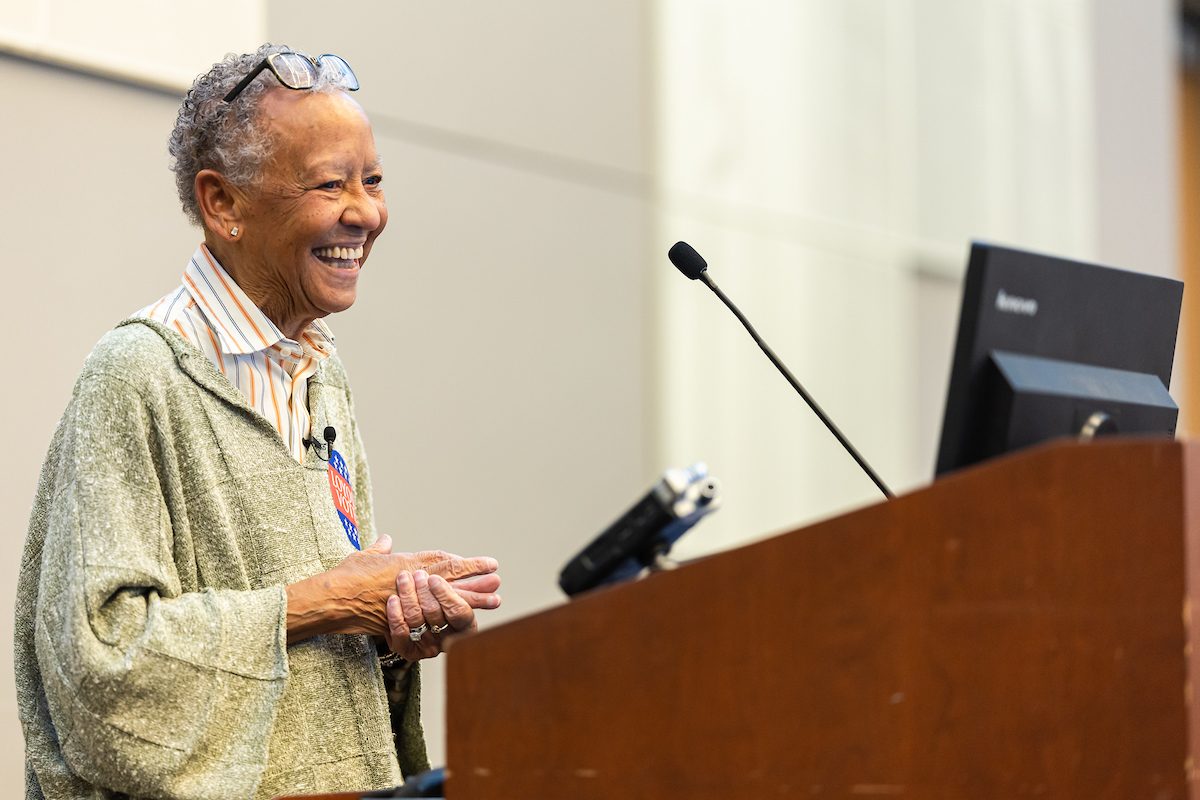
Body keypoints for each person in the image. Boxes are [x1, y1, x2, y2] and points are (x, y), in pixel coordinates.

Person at [14, 44, 501, 800]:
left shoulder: (319, 374)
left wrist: (390, 630)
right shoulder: (140, 374)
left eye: (372, 180)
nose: (367, 213)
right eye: (330, 183)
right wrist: (330, 601)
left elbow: (311, 639)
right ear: (224, 204)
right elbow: (99, 664)